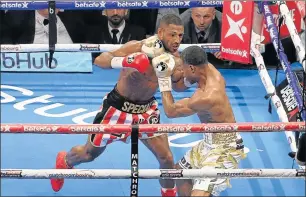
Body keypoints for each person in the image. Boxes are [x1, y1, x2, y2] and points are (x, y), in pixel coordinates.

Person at [50, 14, 188, 196]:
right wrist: (126, 61)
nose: (177, 40)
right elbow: (100, 60)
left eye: (180, 36)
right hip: (117, 108)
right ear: (160, 32)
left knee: (167, 158)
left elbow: (178, 88)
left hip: (146, 110)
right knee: (88, 154)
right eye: (172, 34)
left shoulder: (175, 59)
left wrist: (185, 79)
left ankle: (168, 193)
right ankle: (64, 162)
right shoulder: (138, 47)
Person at [151, 45, 246, 196]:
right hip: (209, 142)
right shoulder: (210, 69)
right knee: (179, 174)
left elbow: (170, 111)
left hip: (224, 148)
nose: (182, 72)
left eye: (184, 69)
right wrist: (169, 59)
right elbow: (185, 78)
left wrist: (163, 79)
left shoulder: (205, 97)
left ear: (192, 68)